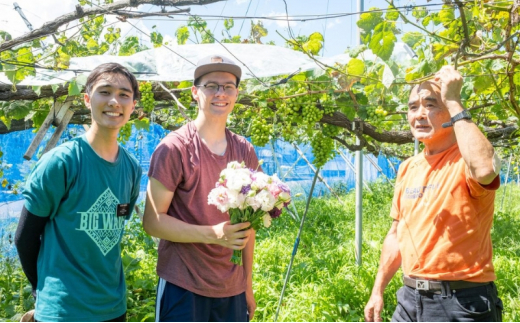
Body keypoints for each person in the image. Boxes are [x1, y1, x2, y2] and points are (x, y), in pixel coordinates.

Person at [364, 65, 503, 322]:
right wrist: (377, 290)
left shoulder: (466, 160)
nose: (419, 115)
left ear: (450, 111)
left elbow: (485, 170)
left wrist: (453, 99)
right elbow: (396, 234)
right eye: (413, 107)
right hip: (409, 299)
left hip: (461, 302)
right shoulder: (408, 167)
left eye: (431, 105)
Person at [15, 62, 142, 322]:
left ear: (133, 106)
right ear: (87, 99)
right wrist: (45, 292)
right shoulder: (61, 162)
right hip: (62, 312)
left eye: (124, 95)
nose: (114, 101)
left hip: (113, 309)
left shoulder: (131, 169)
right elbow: (24, 238)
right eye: (104, 92)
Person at [143, 55, 260, 322]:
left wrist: (247, 285)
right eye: (211, 86)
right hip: (183, 285)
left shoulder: (244, 150)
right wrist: (212, 234)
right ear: (195, 93)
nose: (221, 93)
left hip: (231, 287)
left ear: (237, 94)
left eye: (228, 86)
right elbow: (152, 222)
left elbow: (248, 229)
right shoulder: (174, 148)